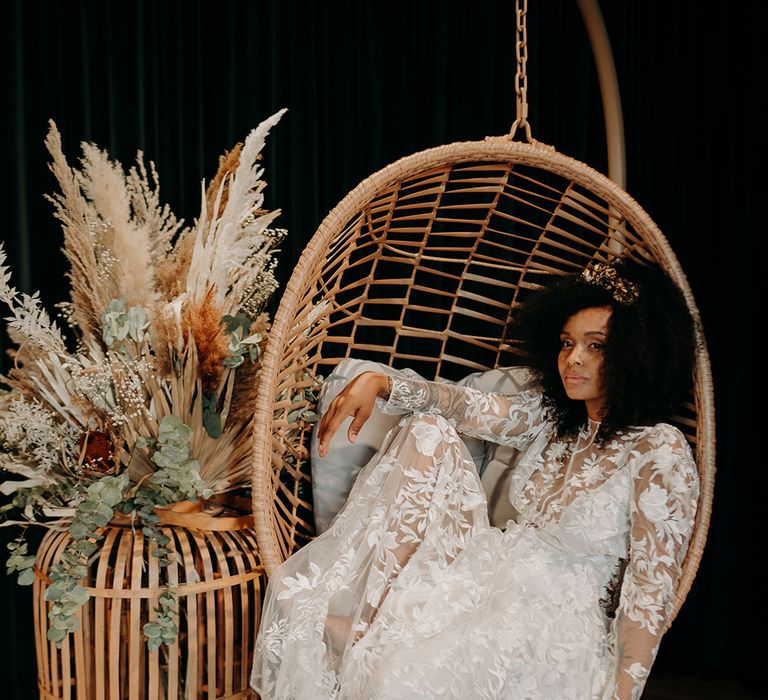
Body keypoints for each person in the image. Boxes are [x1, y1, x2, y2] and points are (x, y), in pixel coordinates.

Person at [251, 259, 700, 700]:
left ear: (639, 352)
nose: (573, 359)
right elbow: (464, 405)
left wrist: (622, 693)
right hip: (482, 575)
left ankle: (379, 635)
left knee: (400, 683)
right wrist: (381, 383)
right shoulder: (551, 418)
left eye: (595, 345)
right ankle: (373, 619)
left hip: (550, 623)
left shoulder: (659, 451)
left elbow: (648, 599)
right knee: (427, 430)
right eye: (566, 343)